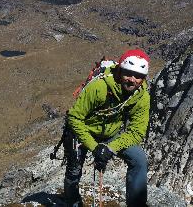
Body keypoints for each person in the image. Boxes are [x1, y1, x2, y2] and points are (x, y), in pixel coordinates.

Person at [64, 49, 151, 207]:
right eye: (128, 73)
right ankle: (73, 202)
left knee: (139, 160)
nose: (132, 80)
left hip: (111, 133)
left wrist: (110, 148)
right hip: (82, 130)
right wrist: (95, 147)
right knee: (74, 169)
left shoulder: (141, 96)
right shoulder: (99, 87)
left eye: (138, 76)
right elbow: (74, 118)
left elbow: (137, 132)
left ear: (143, 78)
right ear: (119, 70)